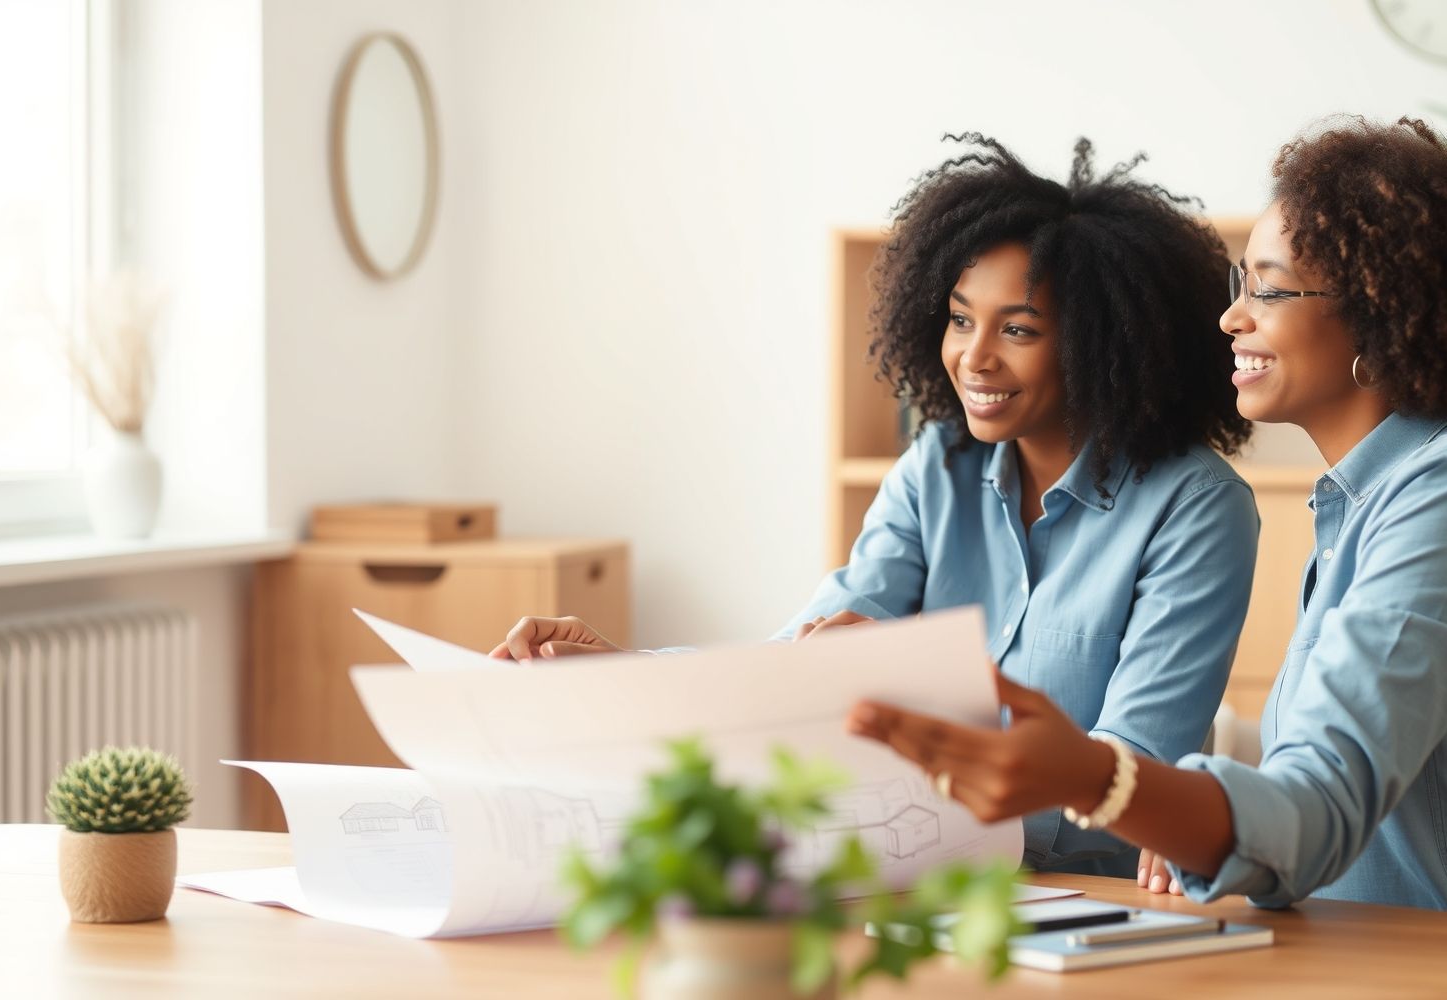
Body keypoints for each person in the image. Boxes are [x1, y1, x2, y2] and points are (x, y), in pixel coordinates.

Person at [846, 117, 1447, 920]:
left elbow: (1319, 812)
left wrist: (1101, 779)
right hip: (1330, 957)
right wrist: (1179, 807)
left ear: (1378, 312)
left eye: (1269, 288)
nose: (1232, 319)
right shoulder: (1359, 504)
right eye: (1240, 286)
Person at [491, 134, 1260, 877]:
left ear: (1104, 345)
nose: (974, 357)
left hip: (1088, 903)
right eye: (960, 319)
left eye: (1017, 329)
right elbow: (794, 666)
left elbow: (1127, 777)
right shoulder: (939, 468)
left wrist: (910, 749)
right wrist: (624, 675)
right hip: (910, 874)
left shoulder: (1196, 510)